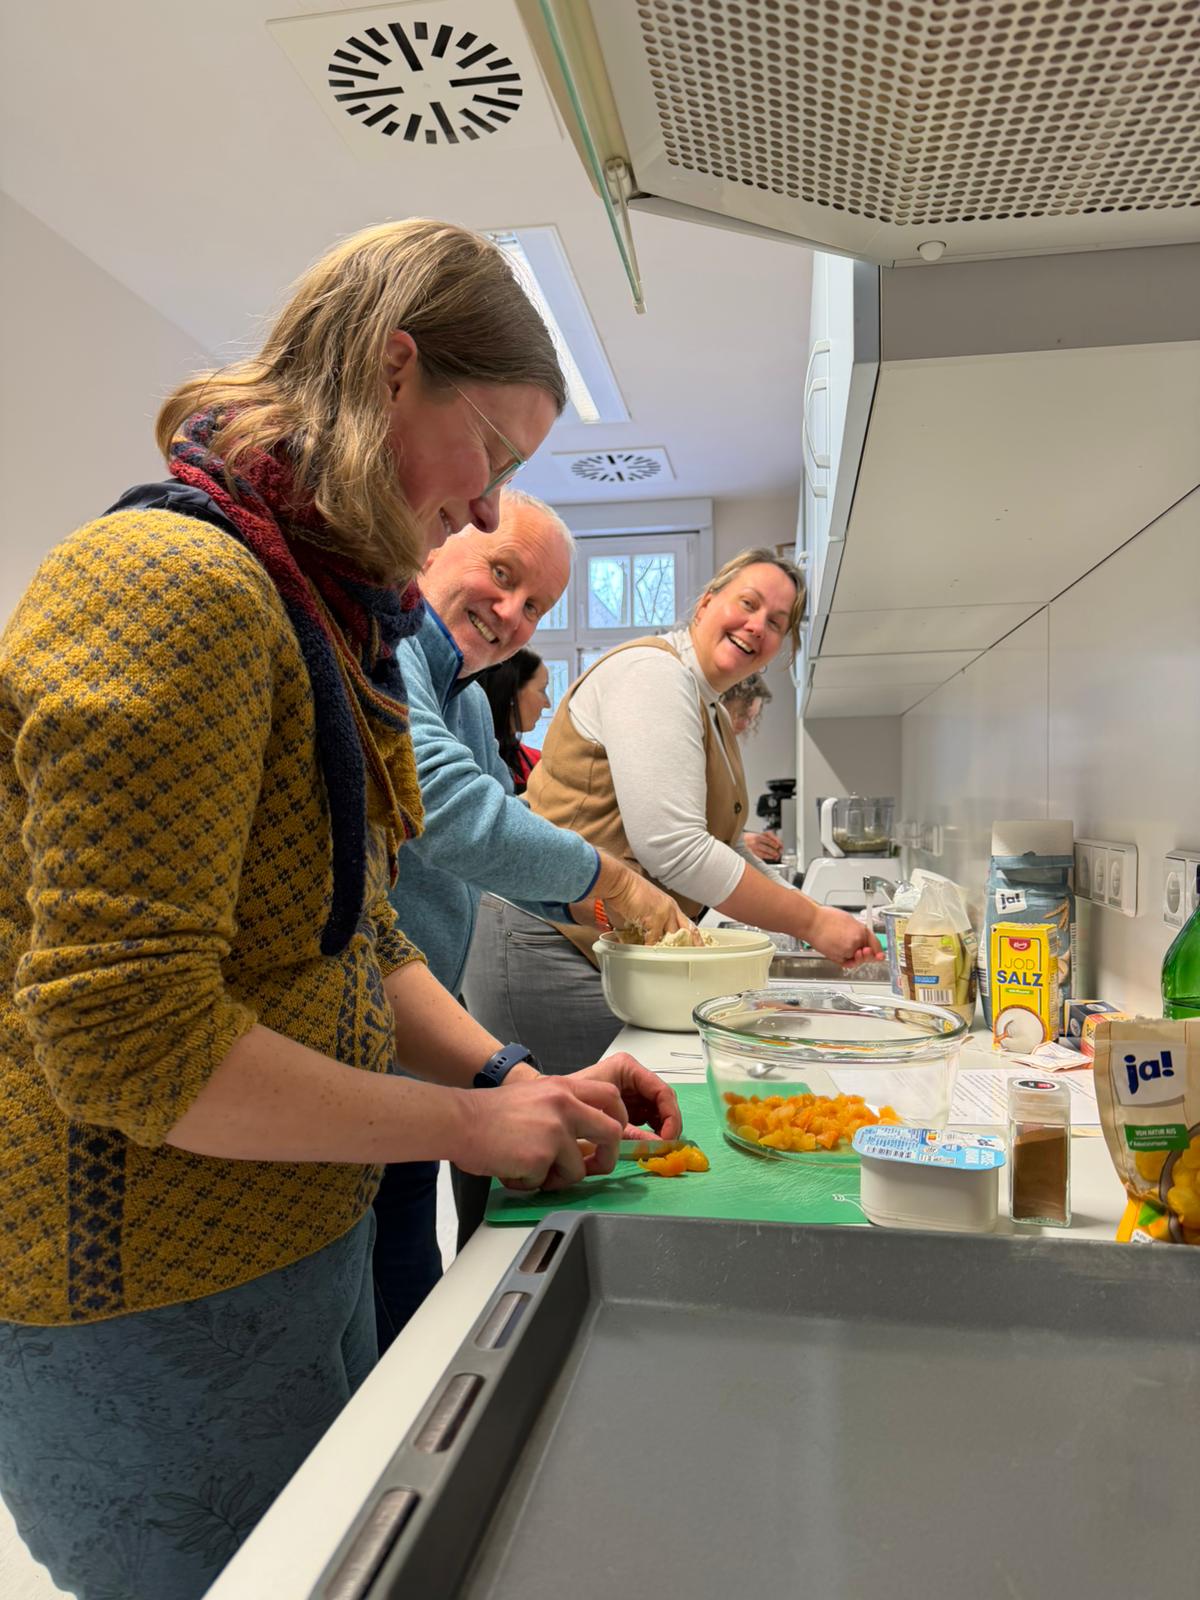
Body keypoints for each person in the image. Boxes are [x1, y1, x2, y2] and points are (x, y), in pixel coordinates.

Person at [0, 218, 679, 1600]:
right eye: (492, 449)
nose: (489, 512)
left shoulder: (317, 617)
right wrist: (471, 1124)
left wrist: (511, 1077)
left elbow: (358, 937)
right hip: (137, 1282)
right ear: (390, 369)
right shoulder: (166, 587)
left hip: (289, 1236)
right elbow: (129, 1045)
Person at [373, 491, 691, 1336]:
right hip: (360, 1055)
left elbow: (482, 859)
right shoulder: (388, 650)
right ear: (438, 543)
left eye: (537, 604)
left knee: (409, 1283)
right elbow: (438, 802)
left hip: (417, 1041)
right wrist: (609, 880)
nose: (512, 612)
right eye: (501, 573)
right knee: (374, 1296)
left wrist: (588, 903)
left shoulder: (470, 699)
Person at [463, 547, 883, 1068]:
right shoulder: (652, 674)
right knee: (561, 1133)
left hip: (598, 943)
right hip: (540, 940)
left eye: (775, 622)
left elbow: (727, 848)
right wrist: (812, 922)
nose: (756, 626)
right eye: (747, 604)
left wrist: (803, 917)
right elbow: (675, 849)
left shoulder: (710, 712)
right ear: (705, 604)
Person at [720, 672, 782, 863]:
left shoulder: (724, 748)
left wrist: (746, 839)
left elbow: (717, 822)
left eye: (751, 719)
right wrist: (740, 843)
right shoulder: (698, 745)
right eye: (742, 715)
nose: (746, 725)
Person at [478, 645, 549, 793]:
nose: (547, 704)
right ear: (511, 692)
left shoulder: (540, 763)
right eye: (542, 690)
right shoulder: (470, 762)